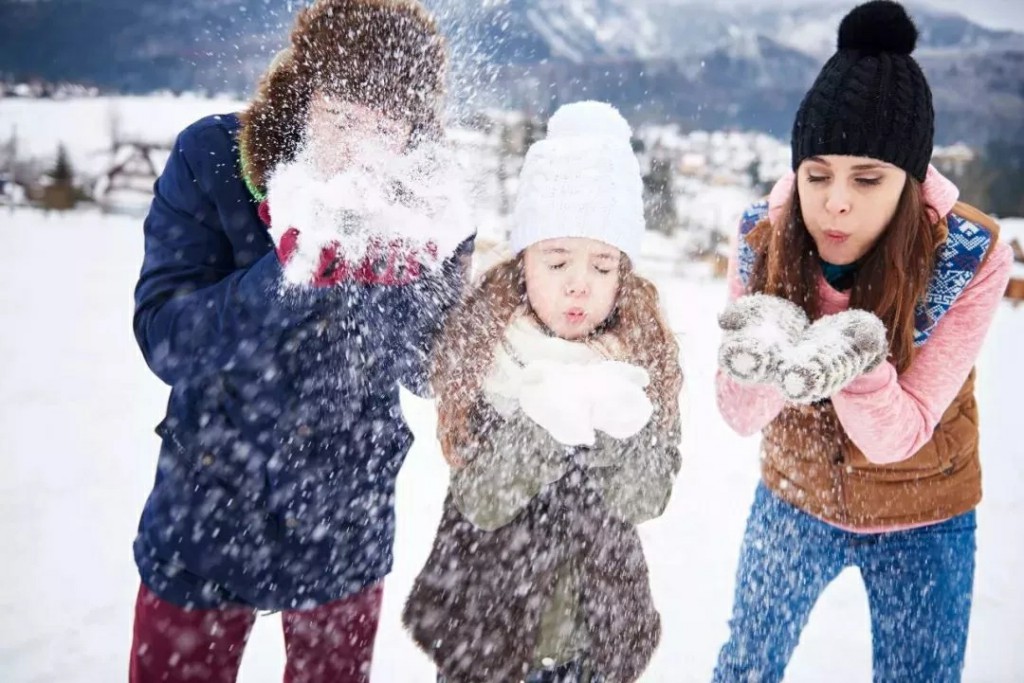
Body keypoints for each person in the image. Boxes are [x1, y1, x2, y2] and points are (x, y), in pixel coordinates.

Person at [128, 1, 472, 681]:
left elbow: (428, 369)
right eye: (340, 116)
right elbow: (164, 338)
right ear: (304, 93)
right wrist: (284, 272)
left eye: (384, 125)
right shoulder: (214, 158)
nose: (359, 146)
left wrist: (391, 268)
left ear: (412, 127)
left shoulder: (430, 209)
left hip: (342, 513)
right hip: (206, 504)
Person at [712, 2, 1012, 682]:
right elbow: (738, 412)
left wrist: (851, 356)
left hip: (923, 512)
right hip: (797, 491)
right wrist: (767, 344)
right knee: (745, 668)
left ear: (909, 180)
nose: (835, 202)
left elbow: (894, 434)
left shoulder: (968, 253)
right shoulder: (765, 237)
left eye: (867, 178)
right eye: (817, 174)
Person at [402, 101, 684, 683]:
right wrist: (541, 425)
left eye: (603, 266)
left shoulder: (641, 358)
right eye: (557, 261)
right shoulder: (487, 348)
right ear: (523, 258)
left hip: (593, 638)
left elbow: (644, 499)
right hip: (485, 631)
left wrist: (621, 428)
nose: (580, 282)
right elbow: (482, 499)